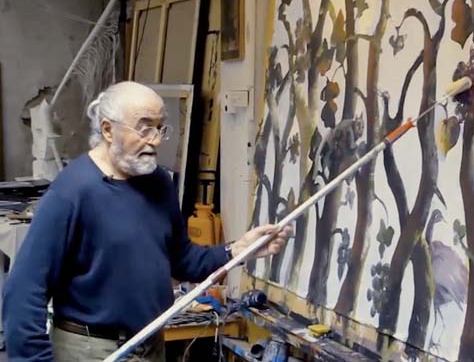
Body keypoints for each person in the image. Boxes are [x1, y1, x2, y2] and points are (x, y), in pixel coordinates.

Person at [2, 81, 291, 361]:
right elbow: (23, 294)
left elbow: (183, 260)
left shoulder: (159, 183)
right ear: (108, 129)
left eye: (160, 128)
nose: (155, 140)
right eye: (144, 128)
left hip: (150, 343)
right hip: (90, 350)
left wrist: (238, 250)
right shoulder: (71, 192)